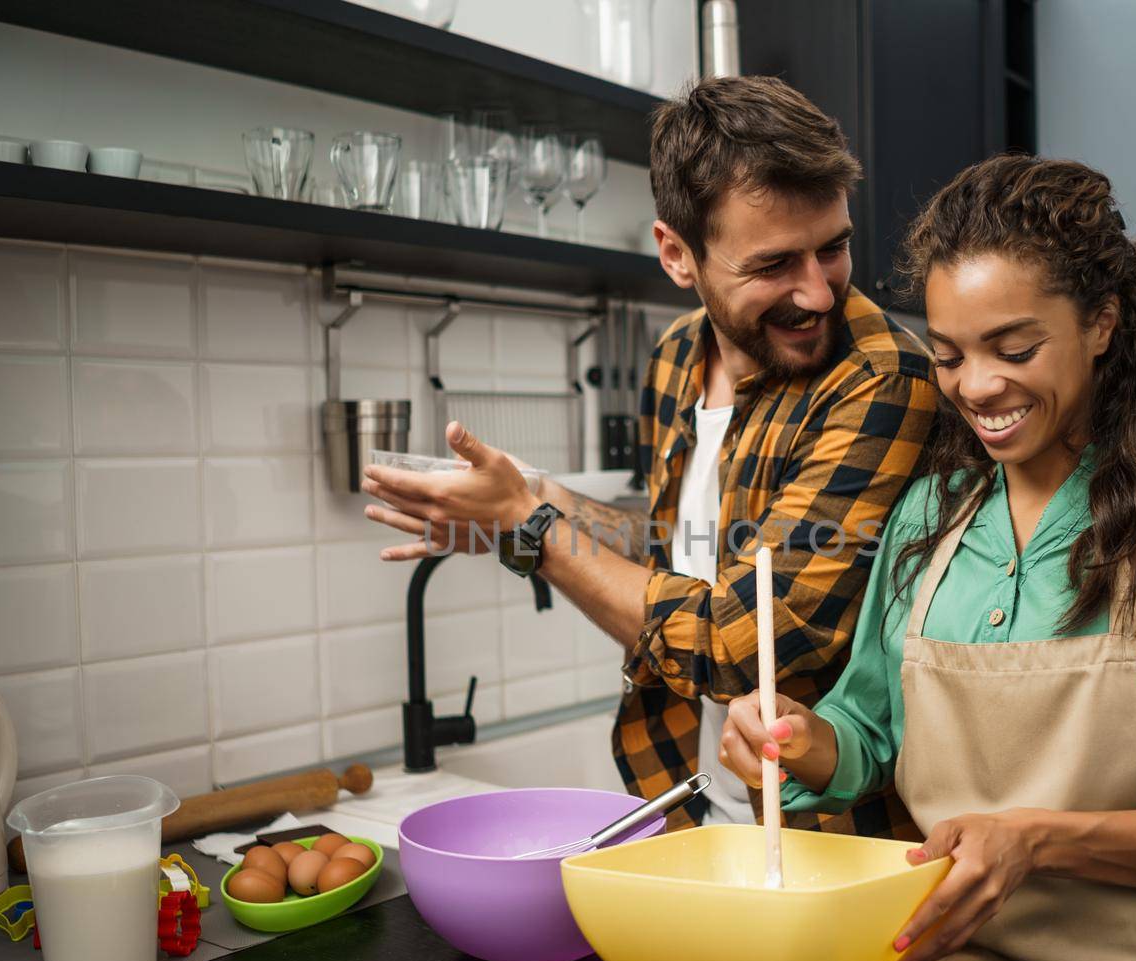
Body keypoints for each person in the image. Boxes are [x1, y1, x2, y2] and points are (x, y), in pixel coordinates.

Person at [721, 155, 1136, 961]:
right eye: (949, 355)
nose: (976, 386)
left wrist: (1033, 839)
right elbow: (867, 731)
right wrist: (795, 735)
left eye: (1014, 349)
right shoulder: (929, 517)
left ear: (1102, 323)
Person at [359, 76, 937, 834]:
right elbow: (682, 556)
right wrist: (531, 501)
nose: (819, 294)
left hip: (827, 836)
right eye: (772, 266)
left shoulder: (880, 378)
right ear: (677, 255)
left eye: (833, 249)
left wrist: (535, 530)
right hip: (691, 802)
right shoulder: (673, 357)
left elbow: (738, 642)